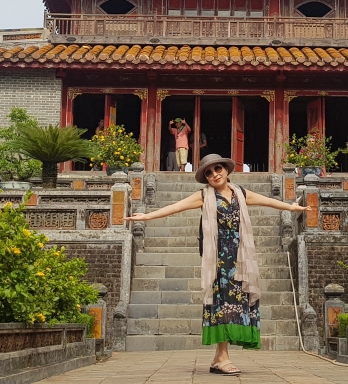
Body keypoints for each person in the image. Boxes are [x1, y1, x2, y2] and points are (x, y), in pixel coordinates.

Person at [125, 154, 310, 375]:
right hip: (218, 260)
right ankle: (223, 358)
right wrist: (146, 217)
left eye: (218, 169)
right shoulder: (204, 195)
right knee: (222, 305)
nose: (215, 174)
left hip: (240, 258)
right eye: (209, 173)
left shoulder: (240, 193)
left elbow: (267, 201)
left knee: (237, 304)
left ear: (227, 170)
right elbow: (175, 207)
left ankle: (217, 359)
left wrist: (291, 208)